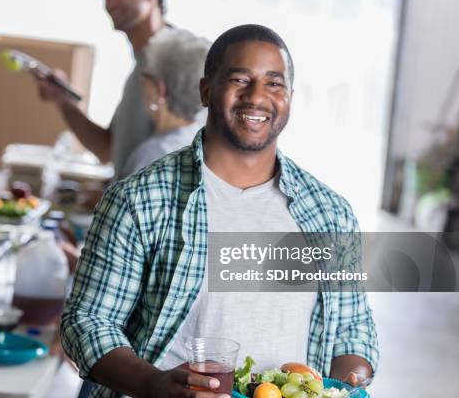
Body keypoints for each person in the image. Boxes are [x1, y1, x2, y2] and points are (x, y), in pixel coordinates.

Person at [60, 25, 379, 398]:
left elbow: (353, 328)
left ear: (290, 97)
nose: (257, 97)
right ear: (206, 89)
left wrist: (347, 380)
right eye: (240, 79)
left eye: (274, 84)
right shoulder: (140, 200)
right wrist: (154, 384)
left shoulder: (330, 214)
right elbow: (87, 322)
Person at [36, 0, 177, 175]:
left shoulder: (180, 62)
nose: (108, 3)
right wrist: (62, 100)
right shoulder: (142, 65)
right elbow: (106, 149)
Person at [119, 30, 210, 178]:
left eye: (146, 76)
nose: (141, 83)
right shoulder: (202, 147)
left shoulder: (153, 156)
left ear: (158, 89)